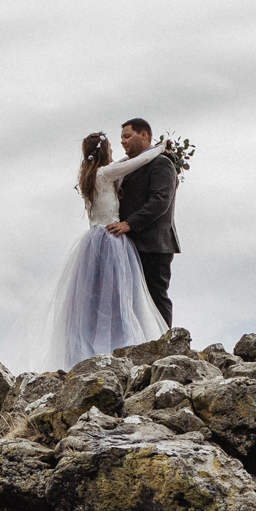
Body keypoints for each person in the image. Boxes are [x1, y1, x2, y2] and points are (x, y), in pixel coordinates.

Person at [37, 129, 170, 369]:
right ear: (104, 150)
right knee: (119, 296)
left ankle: (92, 350)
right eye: (110, 147)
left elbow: (123, 163)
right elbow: (137, 162)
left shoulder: (90, 176)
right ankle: (122, 345)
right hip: (110, 239)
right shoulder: (106, 174)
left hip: (92, 241)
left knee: (94, 299)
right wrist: (159, 149)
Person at [104, 118, 180, 326]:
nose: (123, 142)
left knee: (155, 295)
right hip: (132, 244)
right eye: (121, 139)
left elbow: (160, 200)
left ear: (144, 135)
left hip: (154, 244)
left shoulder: (161, 163)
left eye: (127, 136)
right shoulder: (129, 167)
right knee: (134, 300)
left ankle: (165, 342)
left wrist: (130, 223)